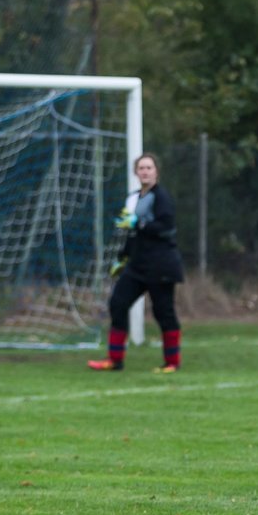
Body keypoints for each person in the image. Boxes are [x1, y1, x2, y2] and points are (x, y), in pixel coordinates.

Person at [87, 152, 185, 373]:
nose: (145, 172)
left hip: (161, 264)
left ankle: (172, 363)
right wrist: (122, 258)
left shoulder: (162, 198)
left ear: (156, 172)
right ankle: (114, 360)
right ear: (135, 172)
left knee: (163, 311)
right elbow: (133, 235)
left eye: (149, 168)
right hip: (137, 265)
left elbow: (166, 228)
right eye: (141, 168)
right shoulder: (133, 198)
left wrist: (139, 223)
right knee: (118, 304)